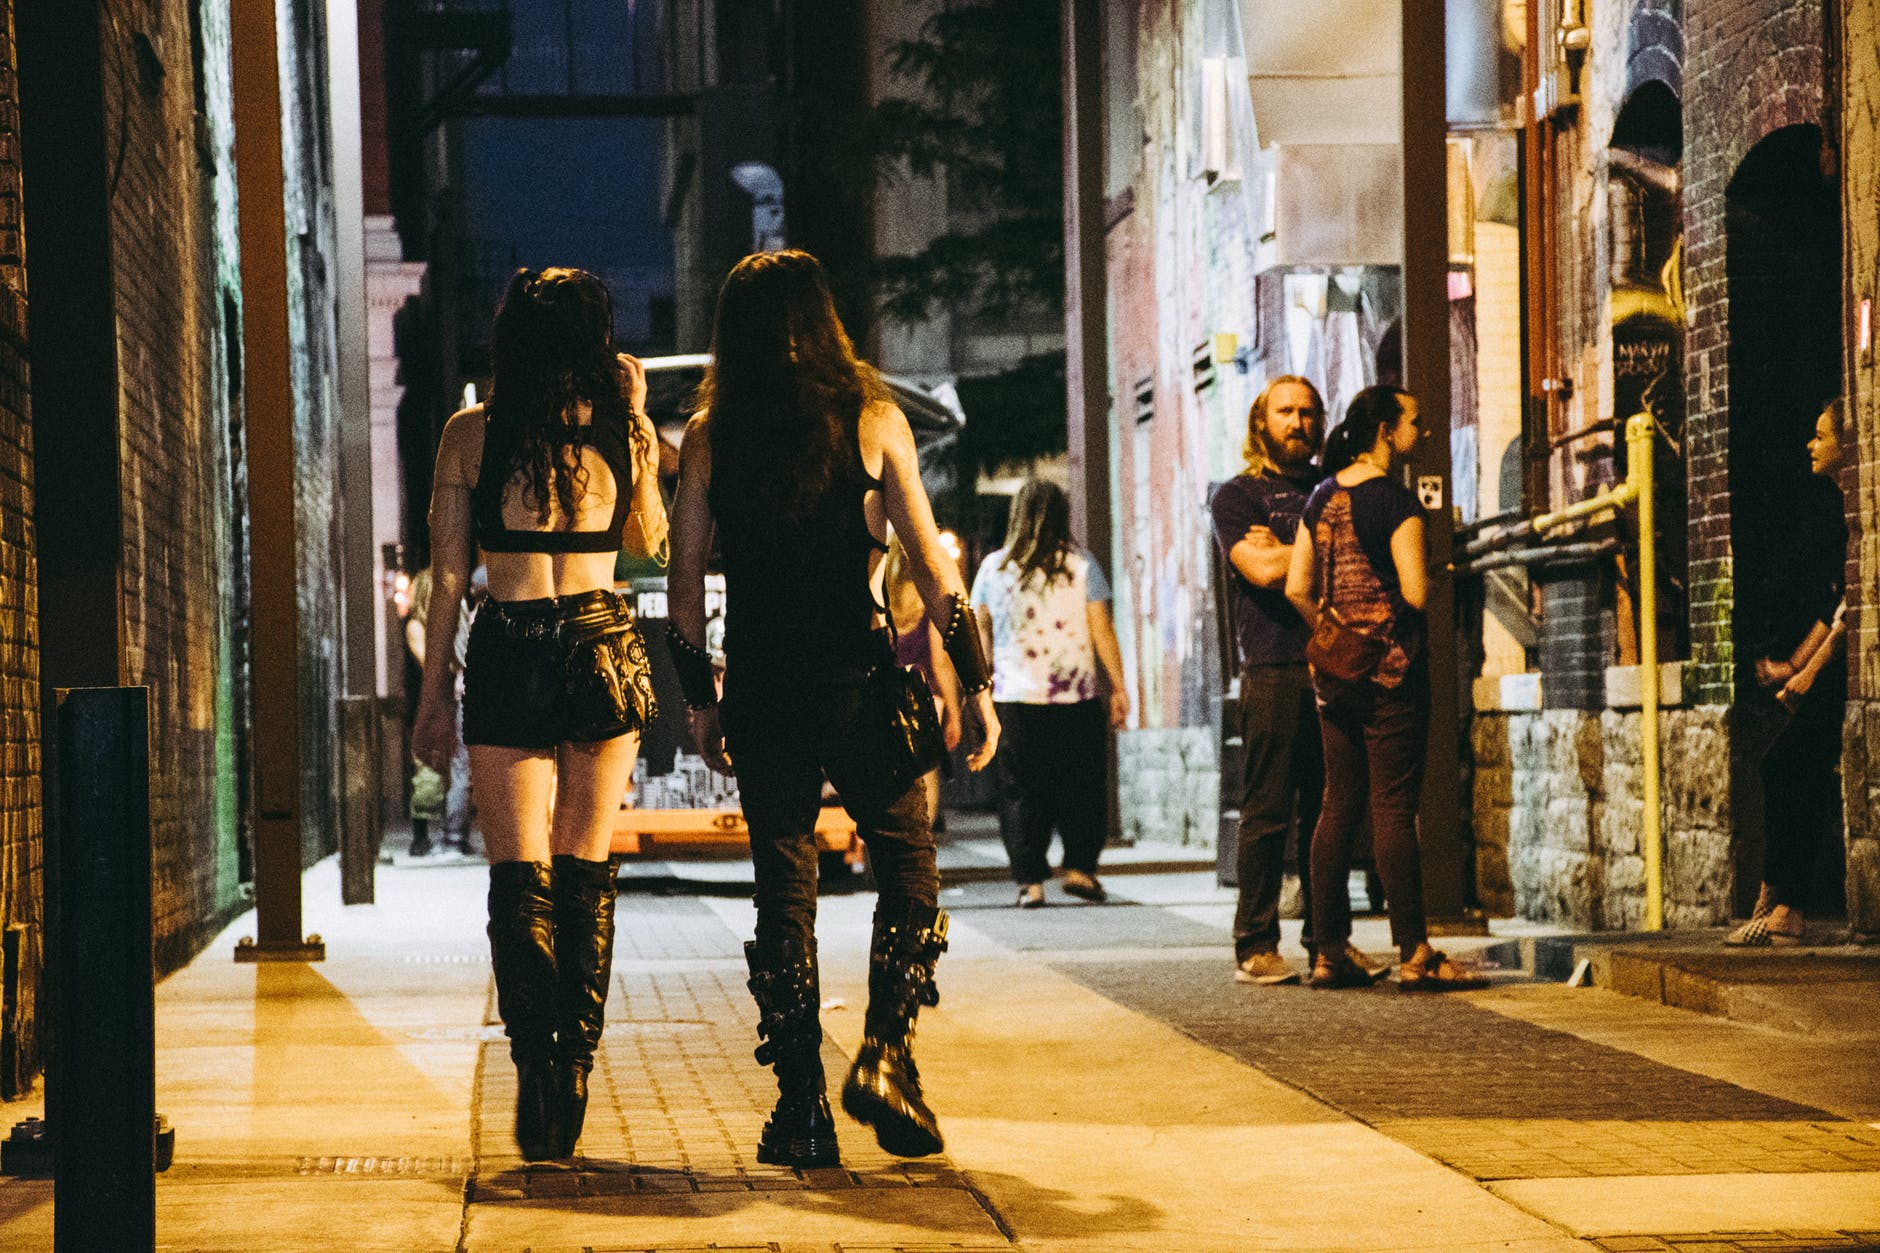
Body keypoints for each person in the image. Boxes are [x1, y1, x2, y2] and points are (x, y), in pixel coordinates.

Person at [666, 250, 998, 1168]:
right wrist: (973, 681)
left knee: (786, 888)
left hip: (765, 692)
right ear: (824, 321)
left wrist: (702, 701)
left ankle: (803, 1107)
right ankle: (887, 1054)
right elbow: (935, 569)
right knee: (907, 861)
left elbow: (684, 583)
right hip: (859, 686)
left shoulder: (709, 435)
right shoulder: (873, 419)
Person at [412, 267, 667, 1161]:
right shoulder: (616, 434)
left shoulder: (471, 434)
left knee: (519, 877)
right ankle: (576, 1068)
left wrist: (433, 697)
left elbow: (449, 575)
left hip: (511, 643)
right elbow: (649, 544)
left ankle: (534, 1061)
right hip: (600, 638)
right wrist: (635, 417)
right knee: (586, 872)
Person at [1285, 385, 1485, 991]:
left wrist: (1332, 630)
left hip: (1334, 676)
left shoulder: (1320, 496)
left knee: (1336, 805)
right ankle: (1414, 949)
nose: (1420, 432)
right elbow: (1417, 592)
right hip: (1391, 674)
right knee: (1394, 809)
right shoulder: (1394, 501)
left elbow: (1297, 586)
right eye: (1414, 421)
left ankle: (1326, 951)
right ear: (1383, 429)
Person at [1211, 376, 1373, 985]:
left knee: (1331, 811)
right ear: (1262, 421)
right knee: (1268, 811)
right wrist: (1322, 554)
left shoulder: (1338, 489)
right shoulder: (1238, 497)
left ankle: (1330, 944)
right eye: (1285, 411)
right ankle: (1255, 946)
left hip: (1336, 664)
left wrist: (1291, 553)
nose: (1298, 422)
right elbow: (1257, 568)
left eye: (1308, 412)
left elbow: (1303, 563)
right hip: (1275, 665)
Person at [970, 478, 1129, 907]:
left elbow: (980, 632)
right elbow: (1101, 629)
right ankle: (1079, 867)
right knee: (1081, 785)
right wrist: (1117, 685)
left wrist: (981, 687)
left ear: (1016, 515)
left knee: (1020, 790)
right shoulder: (1082, 566)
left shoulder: (992, 569)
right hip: (1074, 698)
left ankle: (1030, 882)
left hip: (1013, 699)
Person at [1732, 399, 1849, 945]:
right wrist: (1793, 665)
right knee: (1785, 766)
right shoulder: (1835, 508)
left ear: (1846, 446)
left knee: (1790, 766)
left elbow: (1845, 612)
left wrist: (1801, 668)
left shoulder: (1854, 512)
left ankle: (1788, 905)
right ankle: (1775, 899)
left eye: (1822, 435)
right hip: (1832, 661)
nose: (1811, 443)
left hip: (1846, 669)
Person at [405, 565, 480, 857]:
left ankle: (448, 832)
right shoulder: (419, 626)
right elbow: (432, 665)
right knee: (431, 766)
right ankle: (426, 834)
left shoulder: (438, 624)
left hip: (446, 697)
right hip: (433, 699)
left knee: (451, 767)